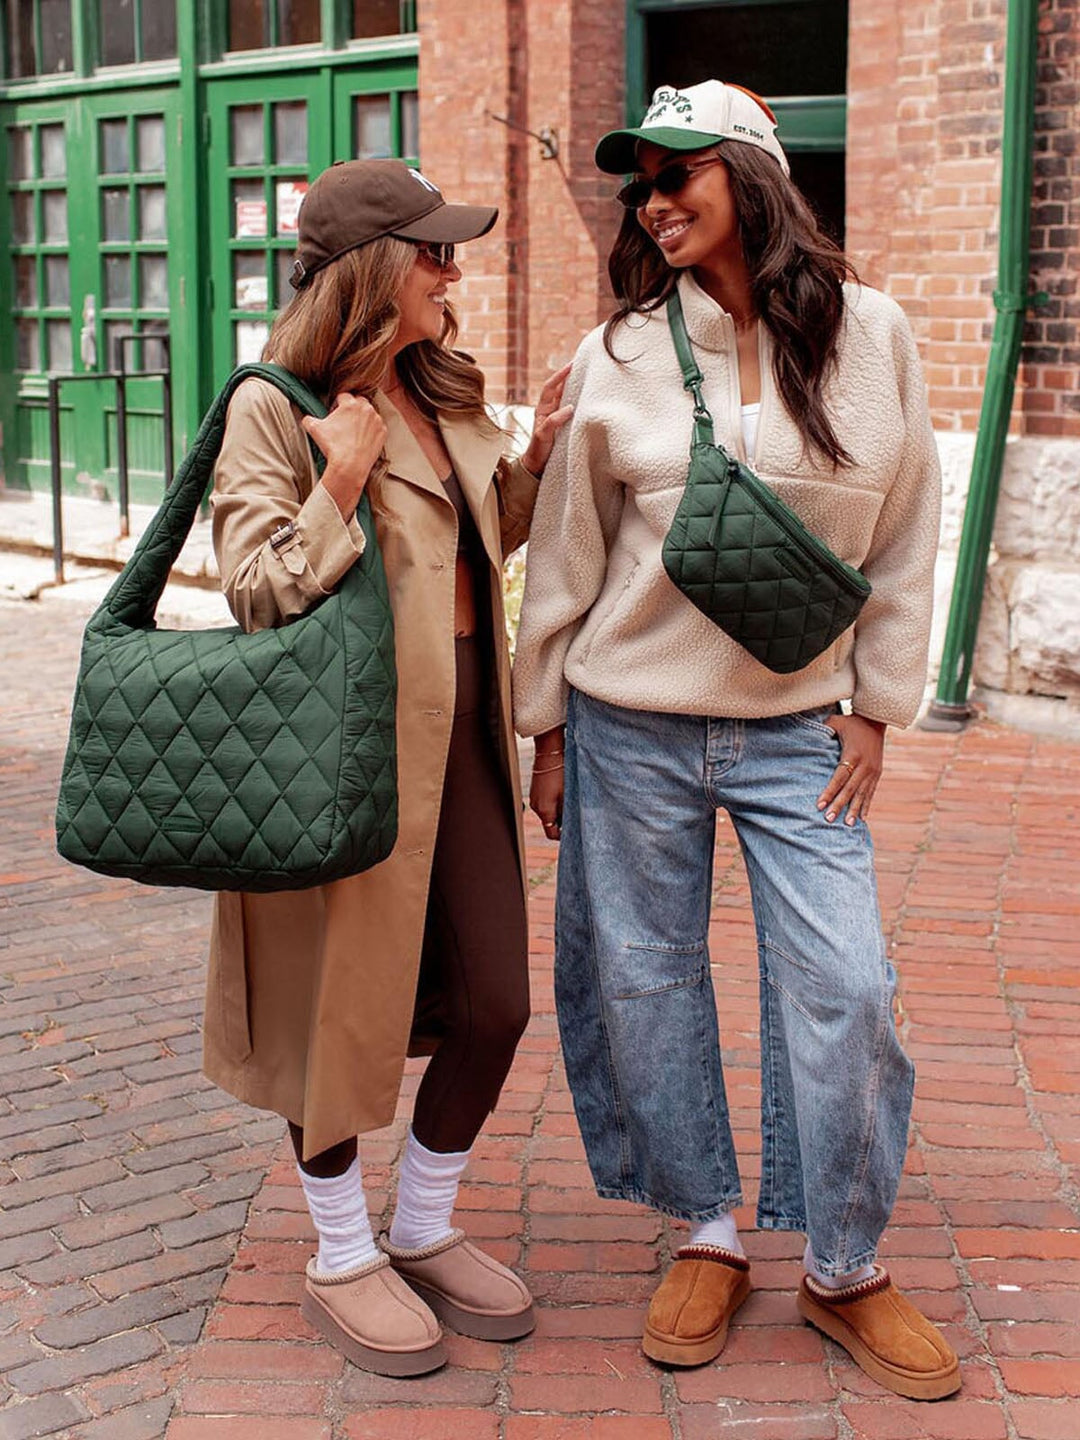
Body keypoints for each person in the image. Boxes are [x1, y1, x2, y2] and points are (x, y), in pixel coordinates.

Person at [513, 81, 959, 1400]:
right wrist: (544, 725)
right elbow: (568, 550)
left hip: (791, 732)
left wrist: (877, 704)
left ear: (752, 175)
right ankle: (705, 1232)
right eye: (637, 182)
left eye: (676, 172)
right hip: (627, 725)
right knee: (645, 985)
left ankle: (842, 1267)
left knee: (849, 988)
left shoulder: (873, 336)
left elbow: (910, 526)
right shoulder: (624, 349)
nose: (652, 199)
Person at [204, 159, 570, 1377]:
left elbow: (471, 546)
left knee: (497, 1004)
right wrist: (343, 478)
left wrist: (534, 465)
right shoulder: (277, 403)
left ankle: (420, 1226)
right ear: (373, 271)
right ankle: (341, 1252)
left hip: (460, 729)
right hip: (337, 750)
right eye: (434, 252)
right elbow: (257, 592)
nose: (453, 269)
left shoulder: (440, 384)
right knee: (337, 1011)